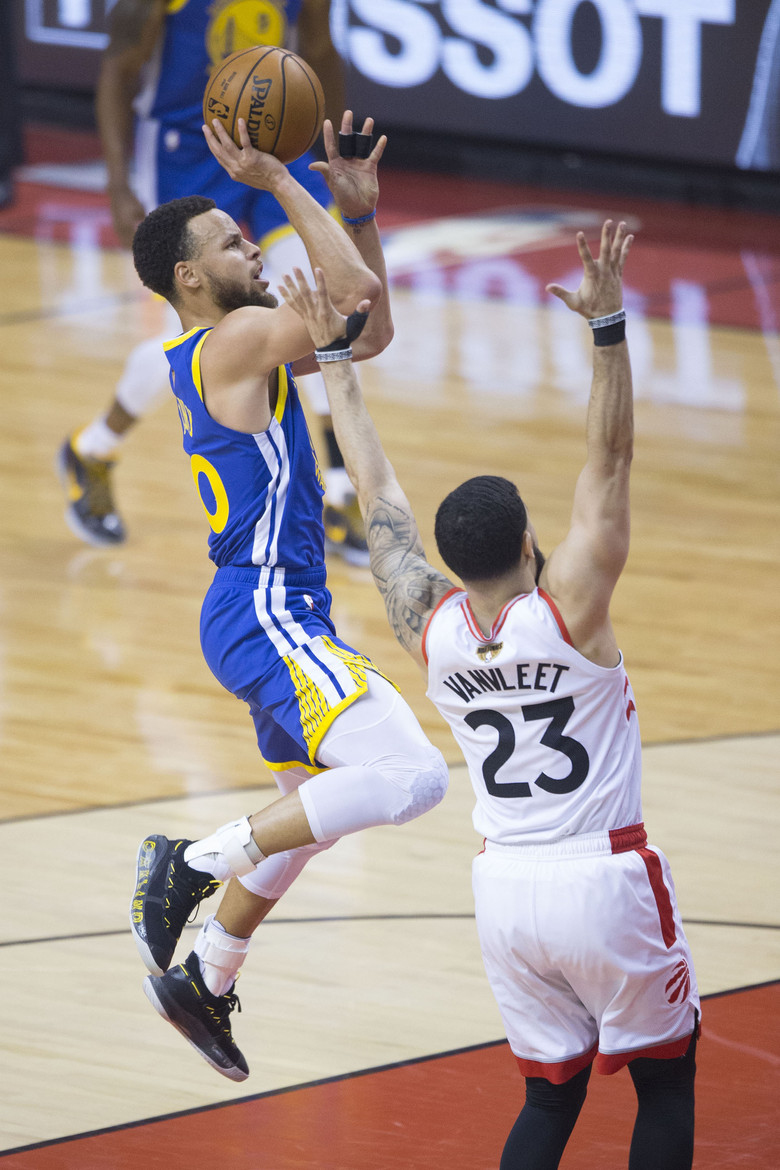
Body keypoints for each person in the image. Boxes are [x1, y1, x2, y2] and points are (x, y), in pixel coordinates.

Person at [278, 222, 700, 1170]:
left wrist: (335, 360)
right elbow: (610, 463)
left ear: (453, 561)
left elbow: (377, 494)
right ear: (529, 545)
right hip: (604, 876)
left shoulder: (425, 625)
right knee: (666, 1082)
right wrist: (607, 330)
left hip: (504, 888)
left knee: (549, 1099)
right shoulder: (571, 610)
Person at [128, 111, 448, 1082]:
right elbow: (349, 297)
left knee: (313, 814)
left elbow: (366, 331)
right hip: (266, 609)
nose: (254, 248)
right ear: (189, 277)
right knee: (412, 777)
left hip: (260, 611)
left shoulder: (239, 347)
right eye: (233, 242)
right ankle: (188, 864)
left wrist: (362, 219)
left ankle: (208, 976)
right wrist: (276, 179)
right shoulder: (231, 341)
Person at [57, 0, 370, 563]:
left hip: (279, 148)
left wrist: (332, 145)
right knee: (198, 343)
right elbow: (119, 68)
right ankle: (94, 447)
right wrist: (116, 182)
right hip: (187, 150)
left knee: (319, 300)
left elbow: (320, 50)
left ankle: (342, 491)